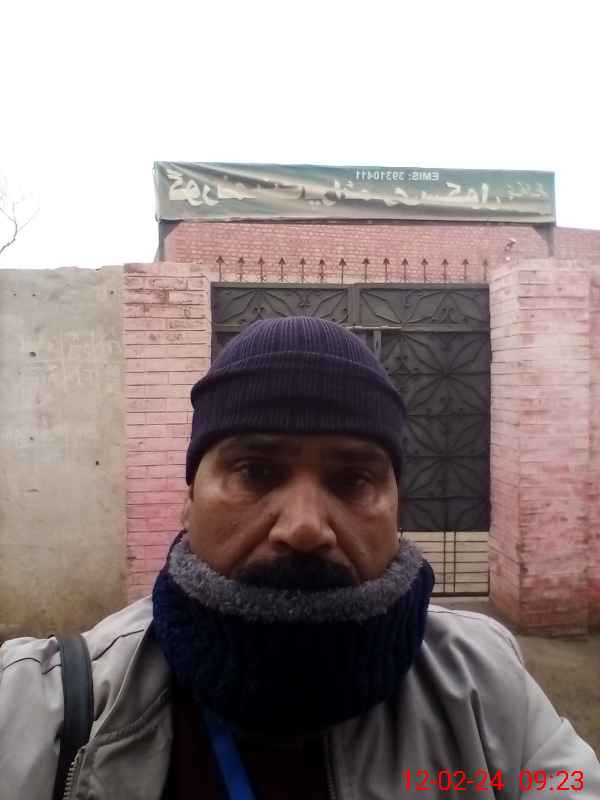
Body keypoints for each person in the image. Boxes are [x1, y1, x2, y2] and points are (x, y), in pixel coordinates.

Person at [1, 315, 598, 799]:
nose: (305, 527)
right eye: (255, 472)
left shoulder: (485, 688)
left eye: (353, 480)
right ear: (188, 500)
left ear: (396, 507)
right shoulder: (43, 707)